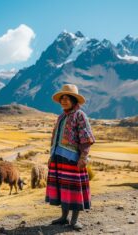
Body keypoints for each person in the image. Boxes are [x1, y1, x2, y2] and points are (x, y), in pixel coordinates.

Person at [45, 84, 95, 230]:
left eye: (67, 98)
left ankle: (74, 220)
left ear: (74, 100)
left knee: (73, 189)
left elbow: (86, 138)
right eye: (62, 98)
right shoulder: (61, 117)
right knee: (63, 188)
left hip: (73, 159)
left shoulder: (80, 116)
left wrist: (83, 157)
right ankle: (63, 217)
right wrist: (51, 155)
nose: (64, 101)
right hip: (59, 158)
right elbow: (55, 137)